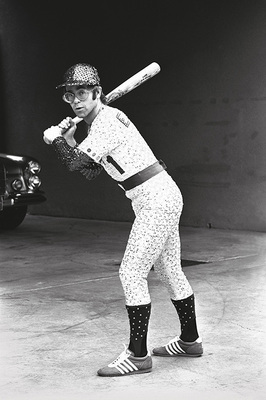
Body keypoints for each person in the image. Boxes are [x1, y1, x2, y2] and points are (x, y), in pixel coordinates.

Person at [43, 63, 203, 377]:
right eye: (70, 95)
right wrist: (72, 140)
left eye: (83, 93)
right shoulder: (98, 125)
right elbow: (89, 170)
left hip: (157, 199)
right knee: (169, 271)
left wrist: (55, 140)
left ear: (97, 93)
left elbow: (75, 165)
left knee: (130, 273)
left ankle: (138, 356)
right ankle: (189, 340)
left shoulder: (104, 122)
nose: (76, 100)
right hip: (157, 197)